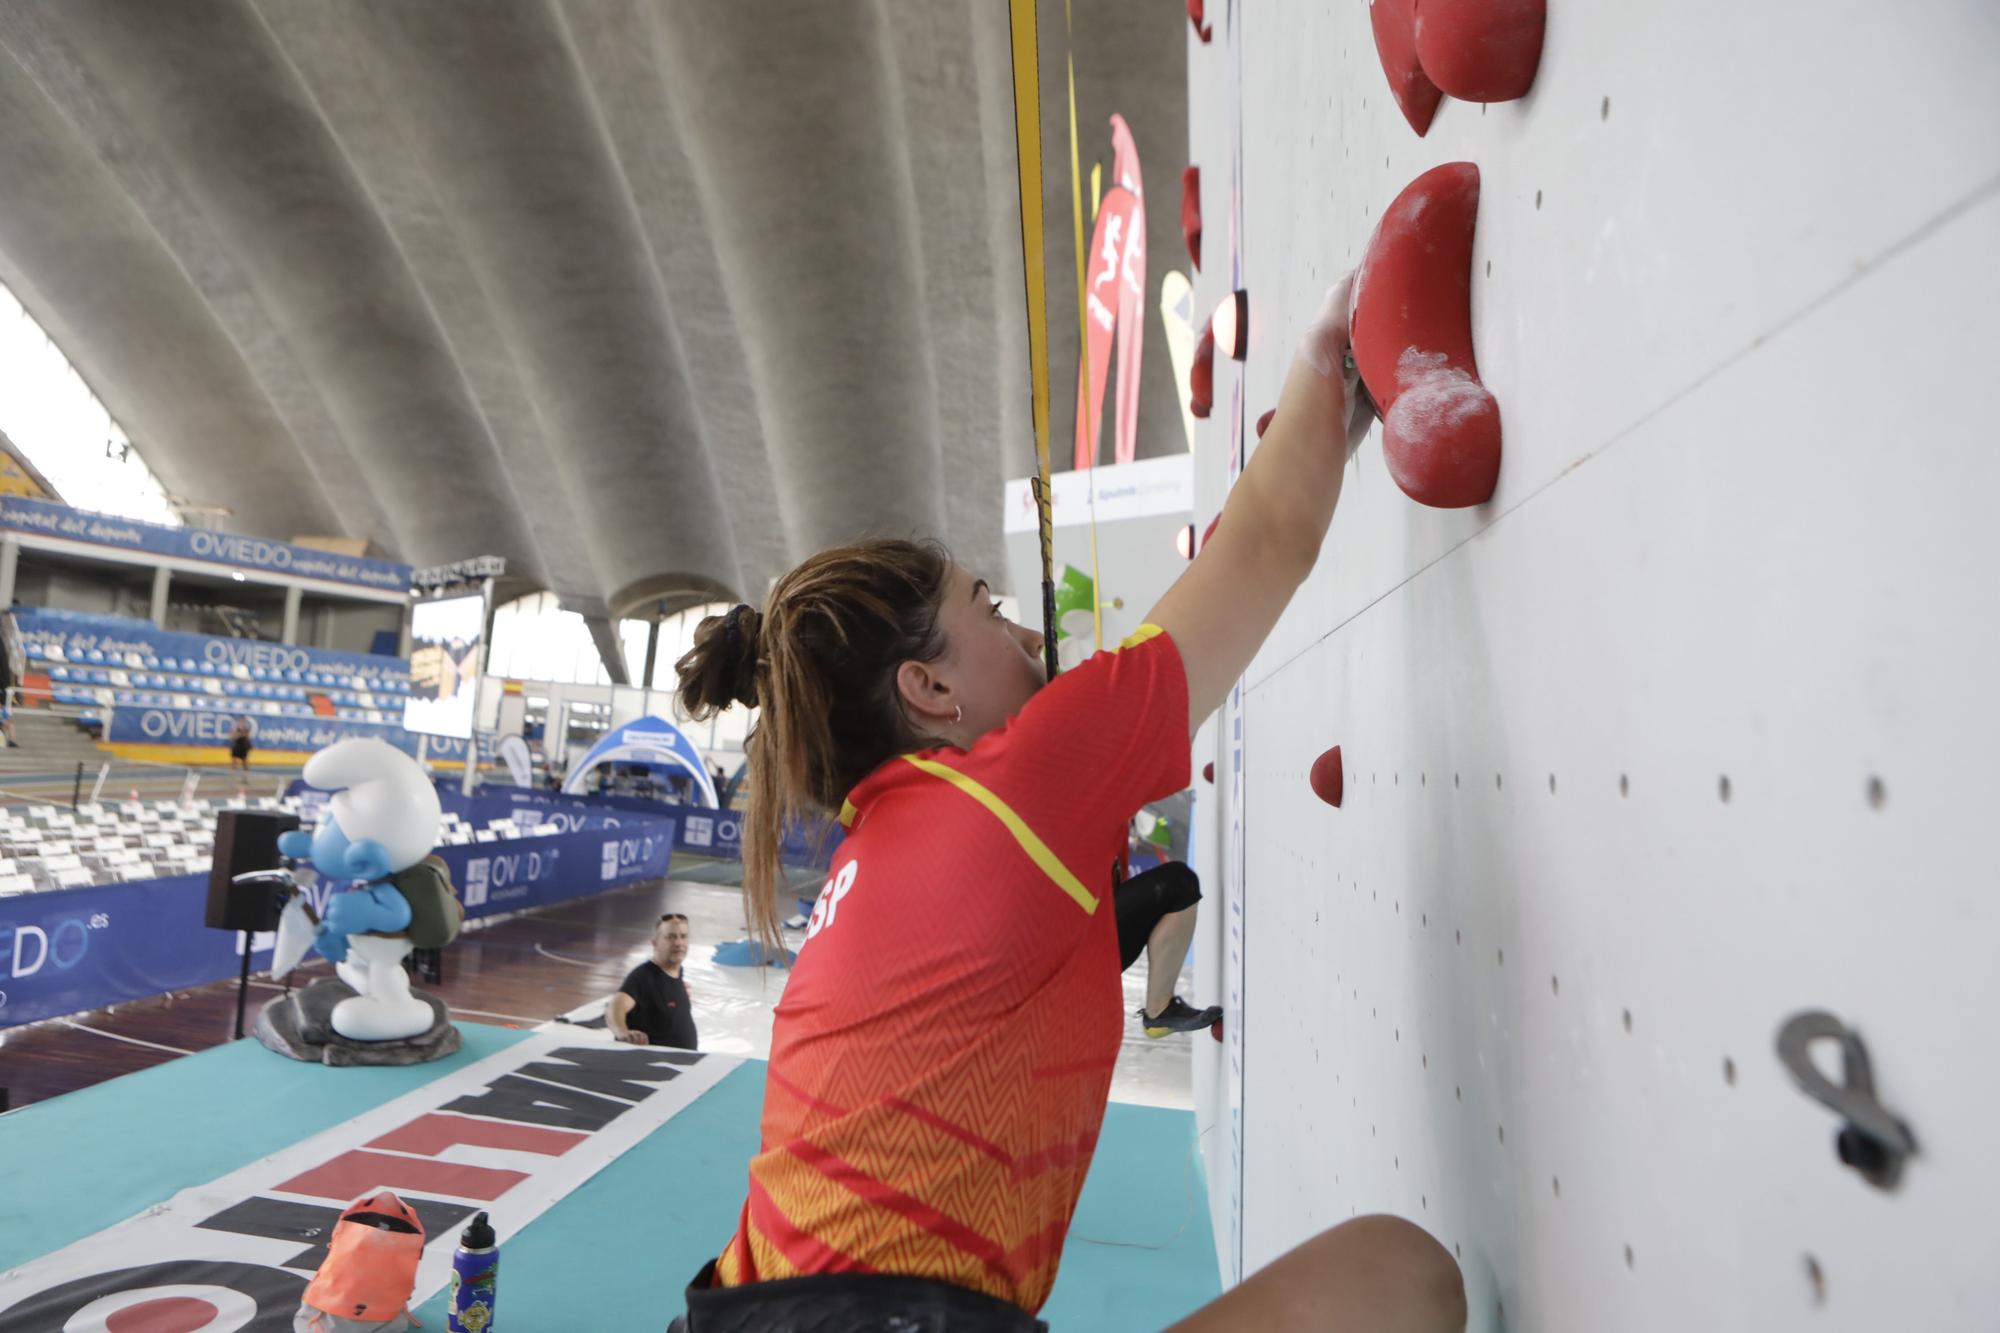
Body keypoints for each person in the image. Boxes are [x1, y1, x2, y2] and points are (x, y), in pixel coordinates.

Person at [668, 277, 1463, 1332]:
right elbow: (1267, 535)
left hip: (758, 1308)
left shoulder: (873, 848)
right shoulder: (1017, 780)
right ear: (930, 690)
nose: (1028, 637)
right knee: (1397, 1279)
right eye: (985, 609)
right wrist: (1337, 349)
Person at [606, 913, 698, 1050]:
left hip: (681, 1064)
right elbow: (614, 1008)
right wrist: (623, 1033)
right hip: (655, 1066)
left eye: (683, 936)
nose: (678, 943)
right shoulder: (643, 977)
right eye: (671, 937)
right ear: (655, 943)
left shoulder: (676, 971)